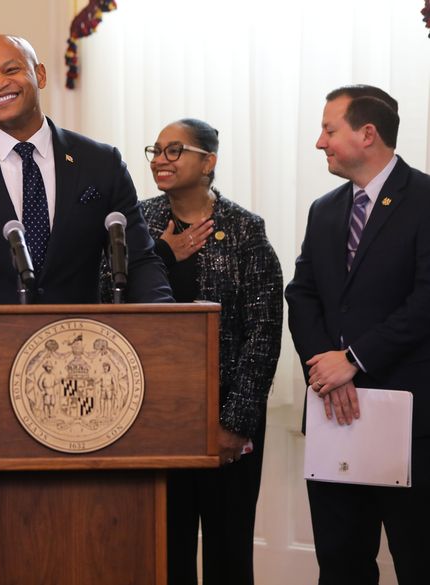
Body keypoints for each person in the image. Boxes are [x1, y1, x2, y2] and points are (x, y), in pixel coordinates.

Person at [0, 34, 171, 316]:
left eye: (11, 70)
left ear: (40, 75)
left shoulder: (101, 163)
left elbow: (140, 261)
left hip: (82, 346)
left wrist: (166, 321)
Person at [286, 85, 430, 585]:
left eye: (329, 130)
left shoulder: (426, 199)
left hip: (413, 423)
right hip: (334, 415)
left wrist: (354, 358)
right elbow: (301, 294)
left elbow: (425, 302)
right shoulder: (324, 210)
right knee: (341, 564)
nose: (319, 142)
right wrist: (328, 365)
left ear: (367, 134)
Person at [140, 119, 283, 585]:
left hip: (225, 416)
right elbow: (110, 304)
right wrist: (162, 255)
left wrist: (235, 422)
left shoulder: (244, 229)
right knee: (164, 552)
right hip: (156, 418)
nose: (161, 159)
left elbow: (263, 332)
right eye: (156, 150)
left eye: (174, 150)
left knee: (228, 551)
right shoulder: (136, 225)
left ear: (209, 162)